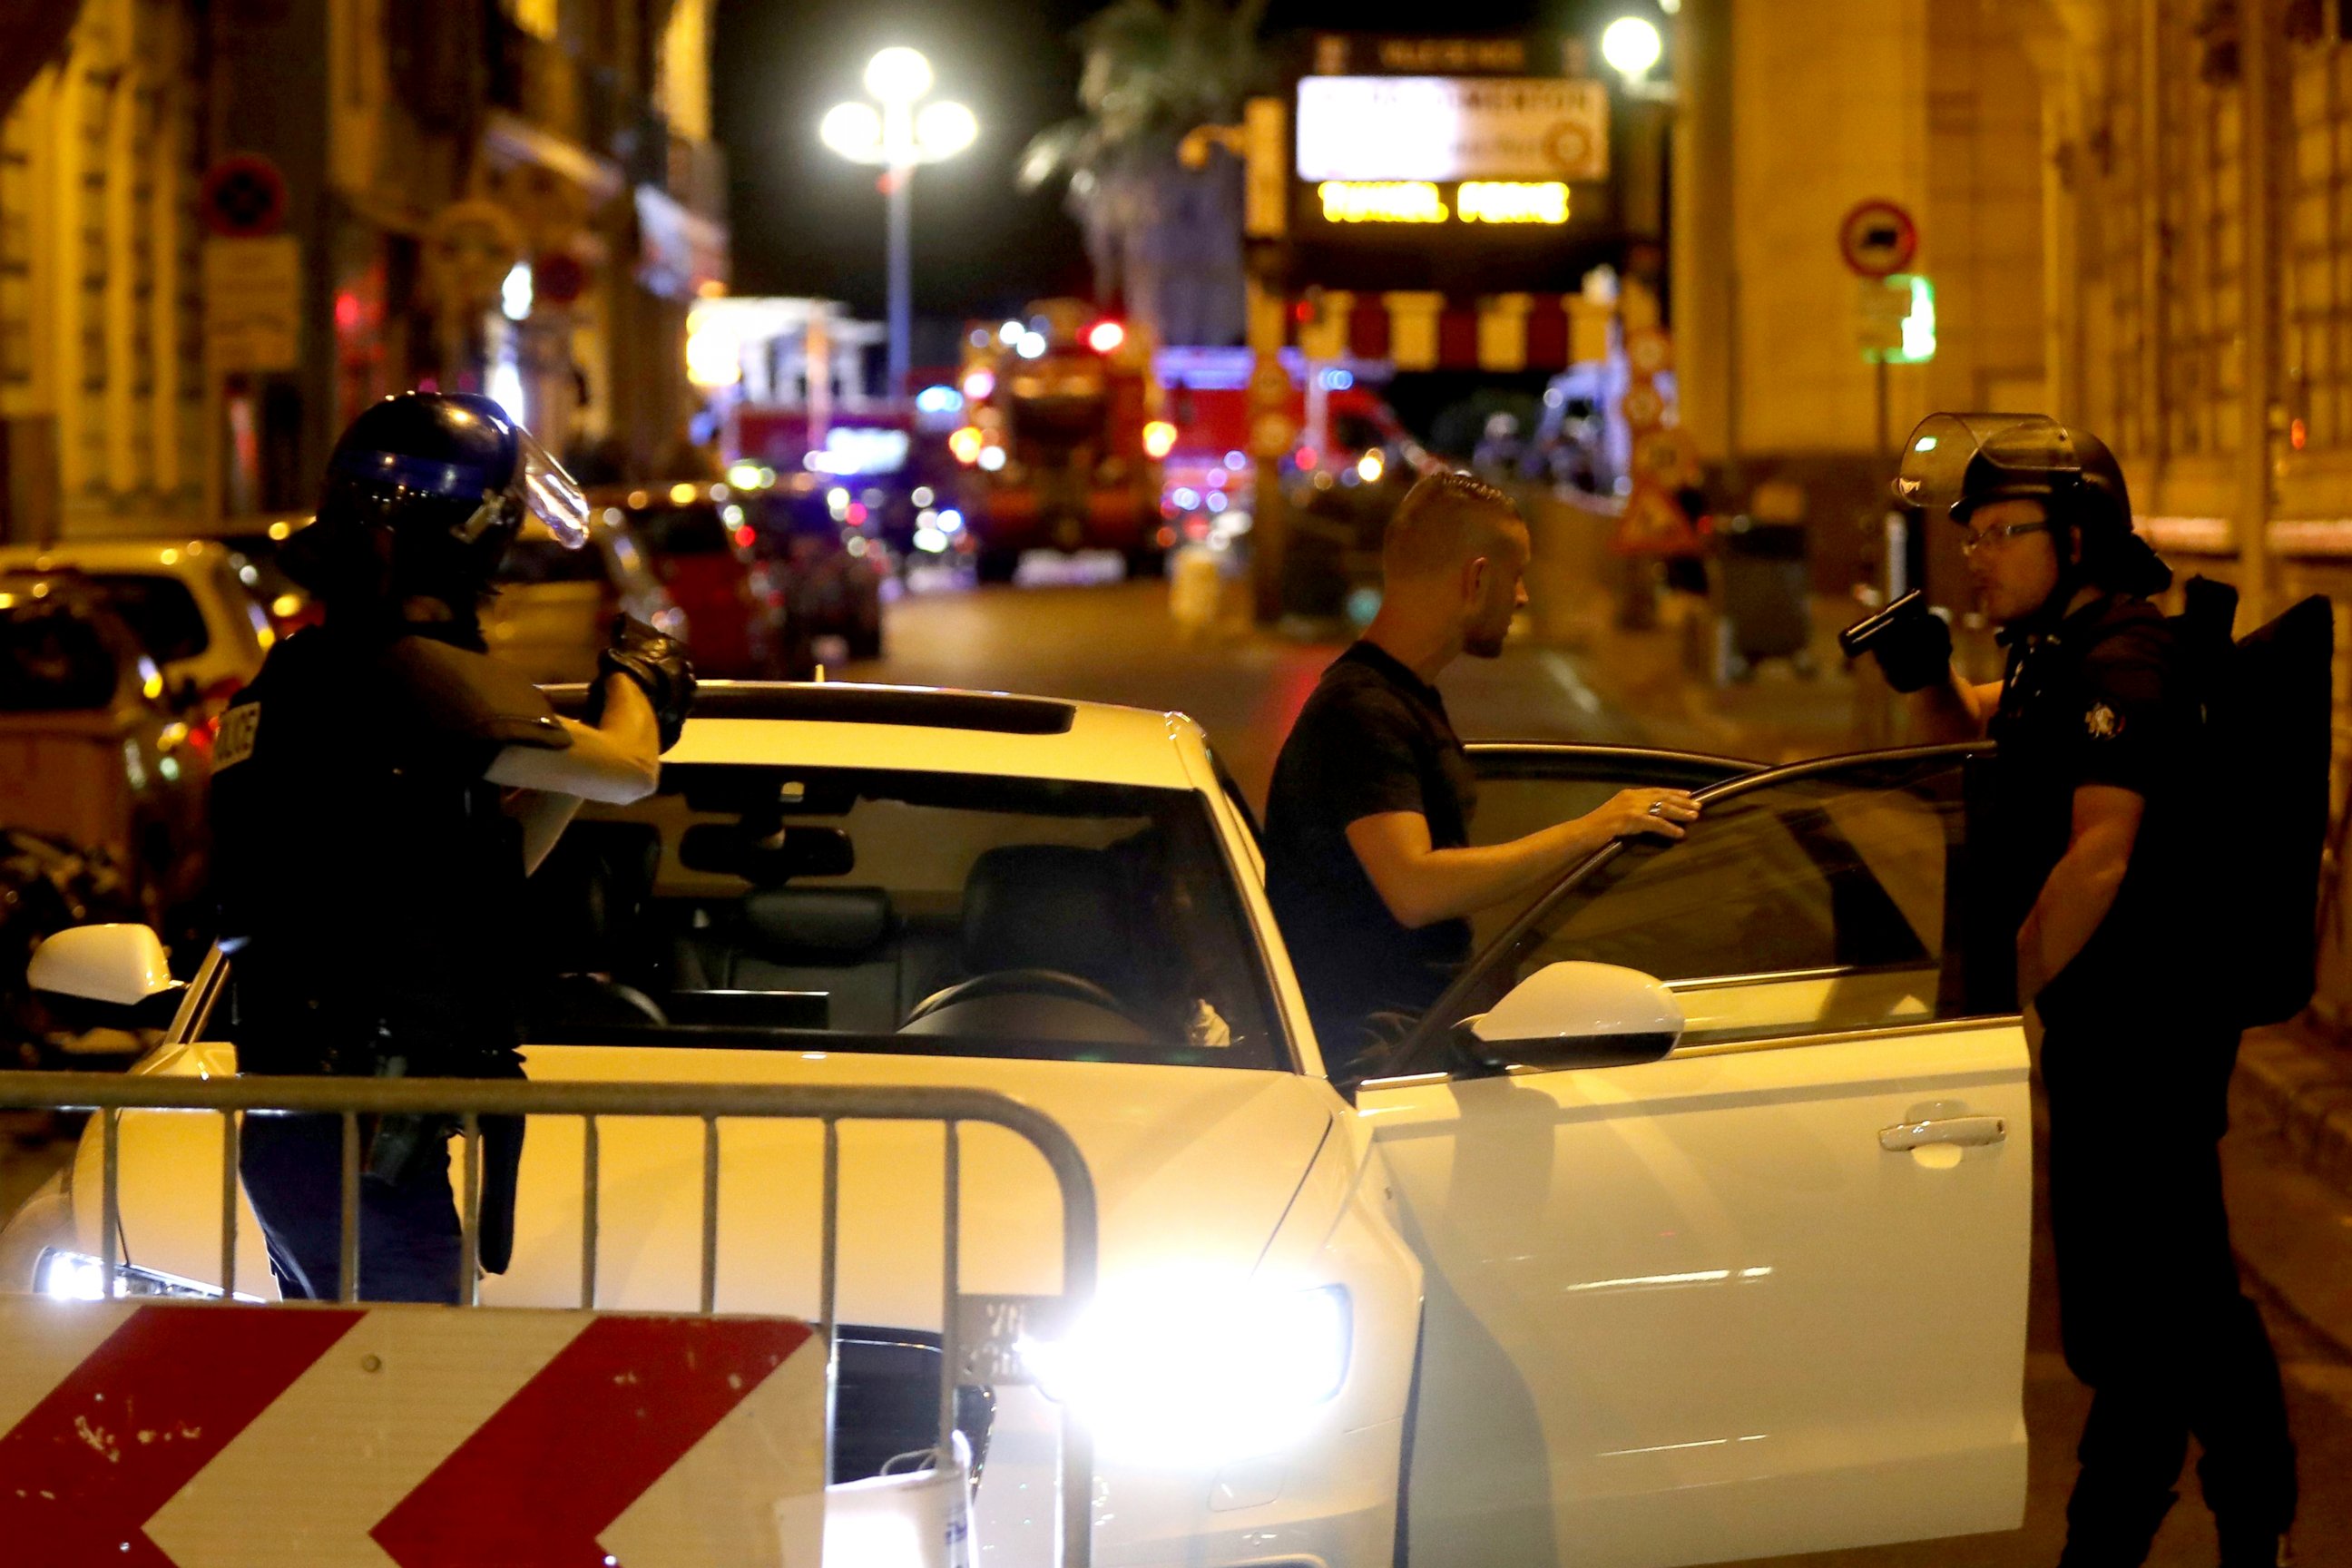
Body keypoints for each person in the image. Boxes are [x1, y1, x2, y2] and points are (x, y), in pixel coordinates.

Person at [1862, 414, 2296, 1568]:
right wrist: (1922, 684)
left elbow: (2100, 850)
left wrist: (2002, 995)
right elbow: (1971, 769)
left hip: (2150, 1032)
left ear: (2081, 536)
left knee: (2170, 1296)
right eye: (1972, 537)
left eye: (2005, 532)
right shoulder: (2052, 657)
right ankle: (2214, 1523)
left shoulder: (2124, 663)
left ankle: (2226, 1519)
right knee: (2150, 1298)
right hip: (2103, 1031)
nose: (1979, 556)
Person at [210, 391, 697, 1304]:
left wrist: (560, 771)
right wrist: (636, 673)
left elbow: (471, 873)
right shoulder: (406, 676)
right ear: (462, 541)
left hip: (319, 1133)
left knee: (347, 1403)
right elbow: (631, 768)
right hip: (363, 1142)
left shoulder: (315, 679)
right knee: (406, 1409)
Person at [1263, 471, 1698, 1079]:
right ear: (1476, 579)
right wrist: (1596, 828)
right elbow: (1416, 889)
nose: (1521, 598)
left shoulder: (1399, 699)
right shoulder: (1360, 713)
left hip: (1408, 1041)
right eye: (1515, 576)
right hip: (1375, 1059)